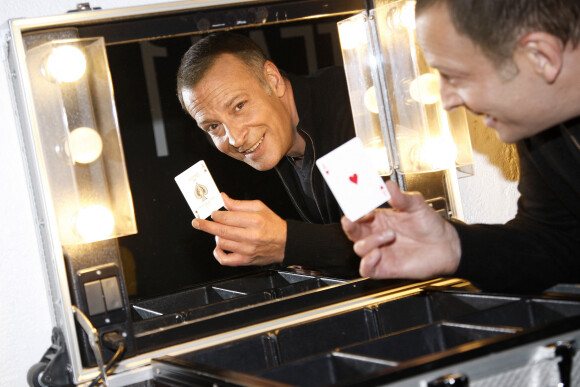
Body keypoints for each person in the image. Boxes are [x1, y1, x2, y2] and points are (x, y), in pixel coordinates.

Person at [342, 0, 580, 293]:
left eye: (454, 76)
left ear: (541, 56)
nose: (447, 100)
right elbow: (558, 242)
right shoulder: (540, 123)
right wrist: (453, 246)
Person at [176, 32, 359, 276]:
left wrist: (288, 243)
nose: (234, 138)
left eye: (239, 106)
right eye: (213, 126)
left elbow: (392, 243)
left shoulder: (344, 105)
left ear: (273, 80)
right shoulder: (279, 141)